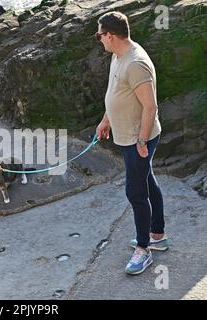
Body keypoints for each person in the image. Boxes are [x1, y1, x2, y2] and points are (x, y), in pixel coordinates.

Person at [95, 11, 169, 275]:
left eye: (99, 34)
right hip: (128, 135)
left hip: (139, 138)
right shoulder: (118, 56)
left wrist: (141, 141)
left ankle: (143, 250)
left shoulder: (136, 63)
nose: (99, 39)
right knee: (147, 181)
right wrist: (106, 120)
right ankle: (157, 235)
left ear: (111, 35)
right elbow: (115, 92)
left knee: (135, 192)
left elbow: (150, 107)